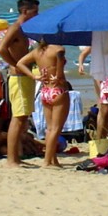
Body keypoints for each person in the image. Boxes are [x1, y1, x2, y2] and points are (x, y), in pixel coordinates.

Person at [0, 0, 41, 168]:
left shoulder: (25, 29)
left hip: (25, 75)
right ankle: (12, 159)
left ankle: (15, 157)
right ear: (24, 11)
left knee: (23, 117)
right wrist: (15, 64)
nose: (37, 15)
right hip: (18, 76)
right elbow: (1, 48)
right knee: (19, 117)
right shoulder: (15, 28)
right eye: (34, 11)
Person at [16, 39, 70, 168]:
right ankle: (47, 161)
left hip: (45, 91)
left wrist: (34, 76)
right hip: (58, 90)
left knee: (49, 129)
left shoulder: (38, 51)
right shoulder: (59, 49)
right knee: (56, 129)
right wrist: (58, 76)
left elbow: (20, 63)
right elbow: (60, 73)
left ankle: (53, 160)